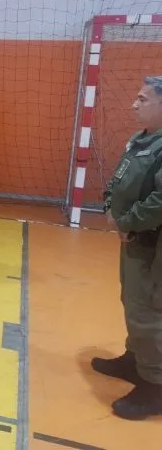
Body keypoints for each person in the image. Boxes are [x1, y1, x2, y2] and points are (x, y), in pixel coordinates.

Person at [93, 76, 162, 420]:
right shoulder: (141, 139)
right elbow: (119, 178)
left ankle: (154, 388)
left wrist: (128, 222)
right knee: (132, 301)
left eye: (143, 99)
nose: (134, 104)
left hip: (152, 245)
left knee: (148, 311)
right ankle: (135, 361)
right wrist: (110, 205)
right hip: (133, 240)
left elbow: (160, 201)